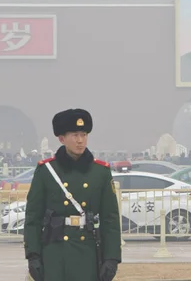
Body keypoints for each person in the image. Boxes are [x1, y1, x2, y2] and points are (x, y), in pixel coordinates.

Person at [24, 108, 121, 281]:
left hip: (88, 252)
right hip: (55, 252)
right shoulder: (47, 171)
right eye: (75, 135)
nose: (80, 141)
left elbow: (110, 219)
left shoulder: (100, 172)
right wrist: (33, 255)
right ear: (62, 139)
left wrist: (112, 258)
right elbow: (33, 217)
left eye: (84, 135)